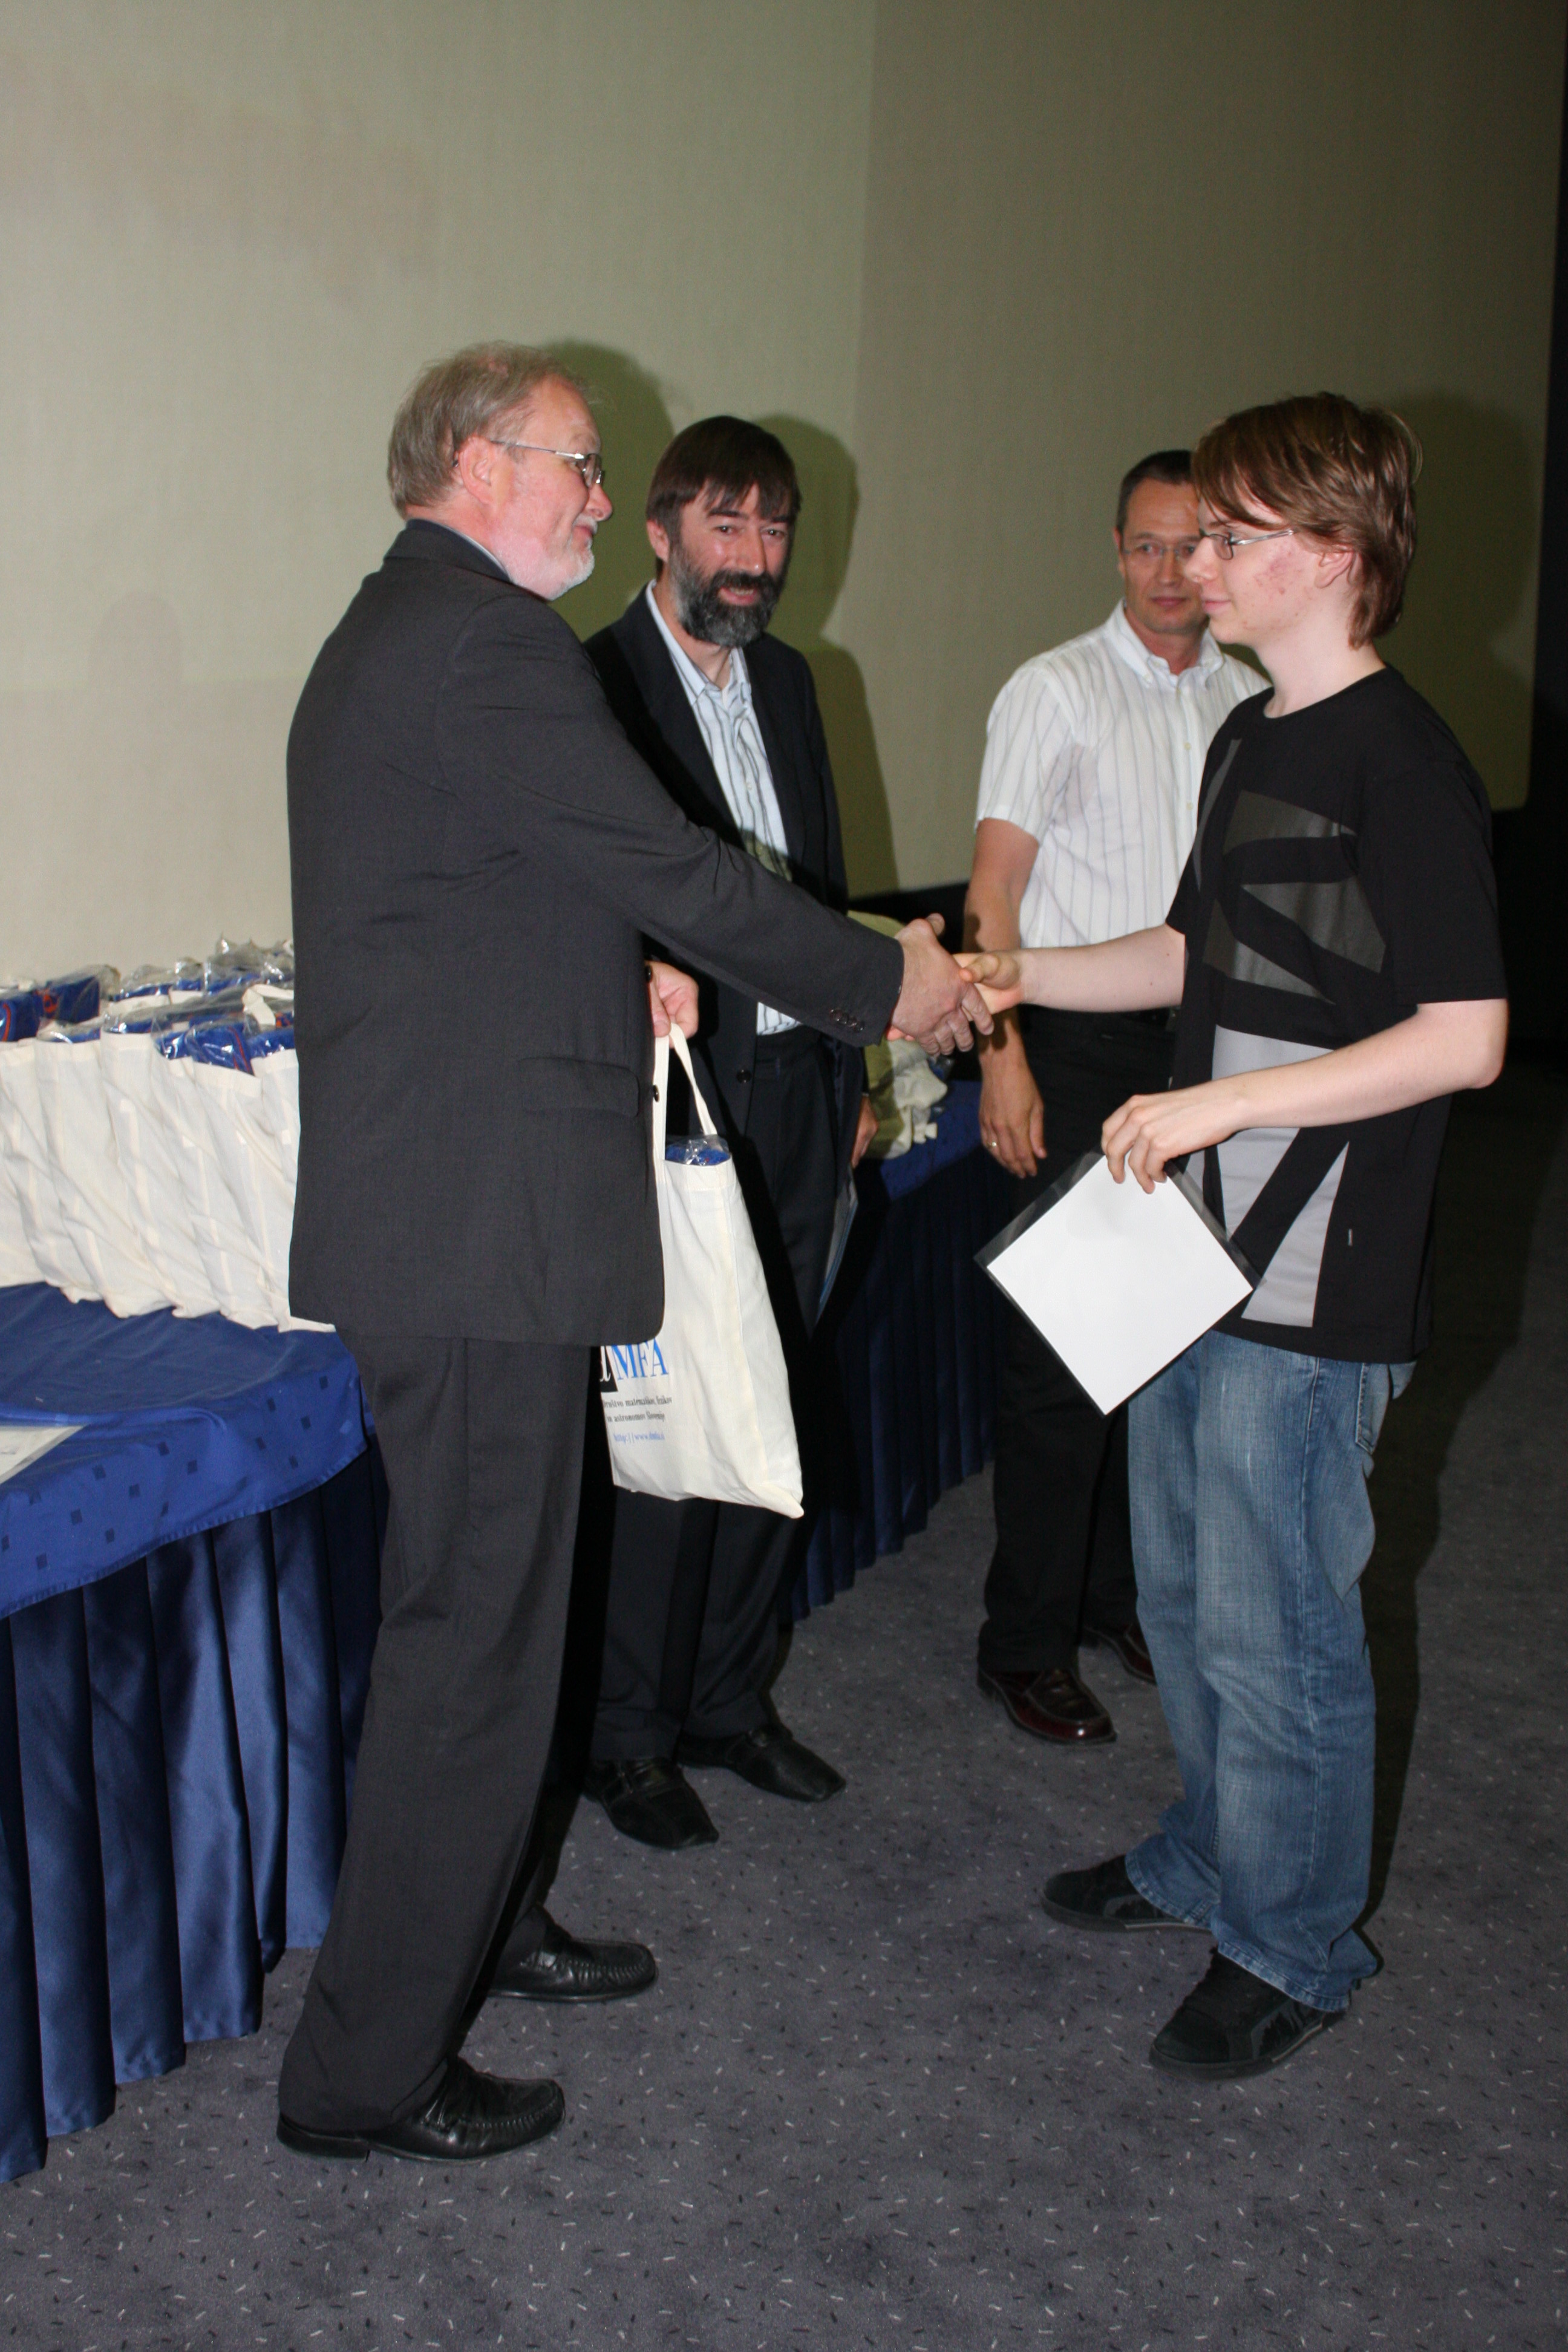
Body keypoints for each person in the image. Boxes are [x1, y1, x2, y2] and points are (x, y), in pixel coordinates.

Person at [278, 342, 989, 2164]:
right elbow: (671, 860)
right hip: (474, 1235)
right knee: (476, 1644)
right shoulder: (486, 643)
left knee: (497, 1622)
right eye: (581, 467)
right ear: (476, 462)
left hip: (461, 1219)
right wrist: (892, 976)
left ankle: (483, 1925)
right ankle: (368, 2071)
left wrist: (624, 969)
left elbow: (499, 902)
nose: (604, 501)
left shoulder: (410, 632)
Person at [964, 393, 1508, 2080]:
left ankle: (1293, 1945)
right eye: (1199, 532)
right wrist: (1015, 973)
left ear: (1332, 553)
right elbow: (1193, 956)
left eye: (1234, 533)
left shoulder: (1404, 759)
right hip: (1193, 1258)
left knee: (1285, 1630)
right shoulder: (1250, 737)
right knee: (1194, 1597)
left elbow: (1467, 1036)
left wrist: (1218, 1109)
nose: (1200, 559)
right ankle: (1212, 1853)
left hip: (1317, 1271)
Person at [577, 417, 877, 1850]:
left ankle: (727, 1698)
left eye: (774, 528)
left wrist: (856, 1069)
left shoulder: (798, 683)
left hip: (804, 1092)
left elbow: (819, 891)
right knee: (674, 1421)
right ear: (660, 531)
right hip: (678, 1101)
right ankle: (626, 1735)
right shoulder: (590, 683)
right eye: (725, 525)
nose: (753, 558)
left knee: (774, 1408)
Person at [967, 452, 1261, 1747]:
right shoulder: (1056, 689)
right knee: (1061, 1363)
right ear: (1117, 551)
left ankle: (1112, 1599)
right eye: (1147, 545)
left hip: (1207, 1060)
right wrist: (1003, 1053)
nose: (1171, 571)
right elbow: (992, 890)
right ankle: (1023, 1643)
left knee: (1164, 1346)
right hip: (1076, 1050)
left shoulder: (1253, 701)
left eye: (1195, 545)